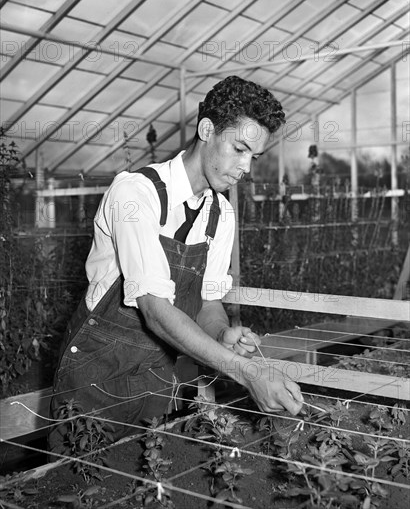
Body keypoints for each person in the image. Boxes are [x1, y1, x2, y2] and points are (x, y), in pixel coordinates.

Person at [49, 76, 303, 453]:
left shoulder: (221, 214)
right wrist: (247, 373)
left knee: (148, 480)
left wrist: (220, 335)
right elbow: (154, 309)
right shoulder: (136, 194)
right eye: (238, 149)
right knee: (78, 484)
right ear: (206, 130)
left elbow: (207, 303)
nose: (246, 167)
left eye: (254, 156)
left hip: (157, 379)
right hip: (95, 378)